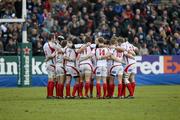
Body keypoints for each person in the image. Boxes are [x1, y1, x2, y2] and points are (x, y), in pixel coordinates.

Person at [43, 33, 57, 99]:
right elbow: (52, 55)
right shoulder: (52, 45)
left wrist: (46, 59)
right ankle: (50, 95)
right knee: (52, 79)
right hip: (52, 63)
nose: (55, 39)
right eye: (54, 38)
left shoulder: (45, 44)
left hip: (48, 63)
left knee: (50, 79)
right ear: (51, 38)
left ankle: (49, 94)